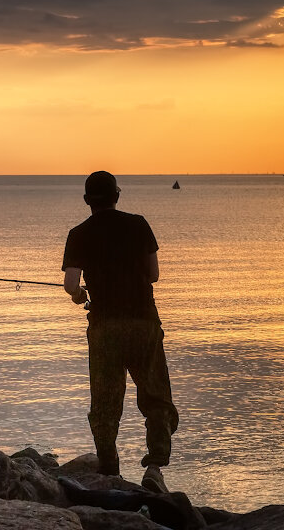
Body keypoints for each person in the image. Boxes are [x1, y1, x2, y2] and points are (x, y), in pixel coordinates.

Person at [62, 171, 178, 494]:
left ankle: (109, 470)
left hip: (104, 328)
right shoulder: (138, 224)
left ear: (87, 201)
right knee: (156, 397)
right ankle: (155, 466)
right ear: (118, 195)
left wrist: (79, 295)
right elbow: (153, 274)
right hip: (143, 322)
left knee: (105, 402)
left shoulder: (78, 234)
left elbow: (71, 284)